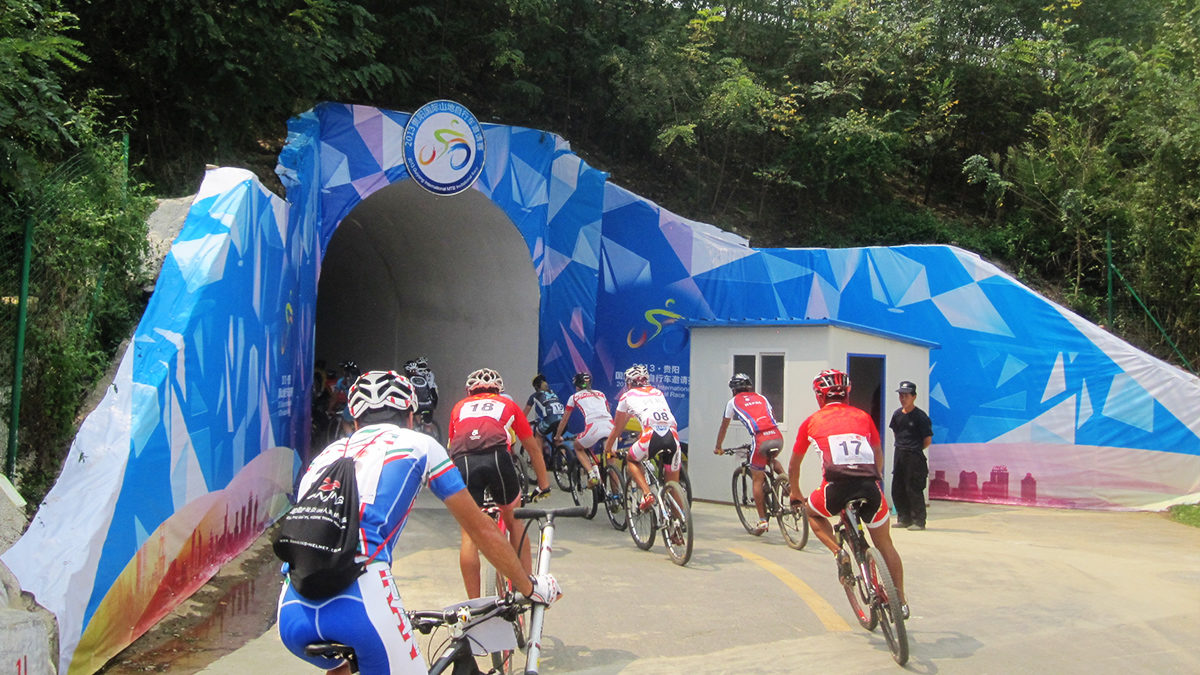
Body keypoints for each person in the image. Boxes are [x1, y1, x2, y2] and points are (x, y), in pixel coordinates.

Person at [277, 370, 562, 675]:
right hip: (363, 605)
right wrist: (529, 587)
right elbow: (481, 529)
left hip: (292, 609)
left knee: (342, 667)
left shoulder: (326, 455)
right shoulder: (419, 445)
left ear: (356, 422)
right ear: (410, 417)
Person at [788, 368, 908, 618]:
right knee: (886, 545)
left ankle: (837, 551)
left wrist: (796, 493)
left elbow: (794, 464)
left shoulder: (811, 421)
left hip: (835, 489)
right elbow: (878, 455)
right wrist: (876, 480)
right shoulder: (863, 417)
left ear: (820, 397)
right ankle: (902, 602)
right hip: (869, 487)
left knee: (811, 512)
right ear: (847, 394)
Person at [447, 367, 551, 598]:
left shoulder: (459, 407)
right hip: (497, 457)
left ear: (469, 391)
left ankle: (475, 604)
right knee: (513, 520)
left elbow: (451, 448)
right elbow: (533, 448)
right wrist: (544, 485)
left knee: (469, 532)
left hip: (463, 461)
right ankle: (527, 590)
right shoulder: (507, 404)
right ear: (499, 390)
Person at [713, 372, 786, 534]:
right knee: (771, 458)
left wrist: (718, 446)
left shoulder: (733, 403)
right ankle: (785, 481)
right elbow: (771, 417)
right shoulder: (761, 397)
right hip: (777, 436)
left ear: (733, 390)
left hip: (760, 439)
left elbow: (724, 427)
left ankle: (762, 521)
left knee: (757, 478)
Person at [602, 364, 681, 511]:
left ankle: (647, 494)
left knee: (631, 459)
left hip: (651, 436)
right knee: (673, 489)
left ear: (629, 383)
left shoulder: (626, 396)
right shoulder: (658, 393)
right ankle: (679, 526)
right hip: (673, 436)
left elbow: (617, 428)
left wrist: (608, 448)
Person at [555, 372, 613, 486]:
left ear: (576, 385)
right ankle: (616, 497)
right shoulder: (600, 394)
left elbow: (564, 419)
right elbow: (608, 411)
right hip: (610, 427)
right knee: (611, 462)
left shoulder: (574, 397)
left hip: (593, 428)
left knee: (578, 446)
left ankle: (591, 474)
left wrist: (558, 435)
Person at [889, 380, 933, 530]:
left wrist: (914, 448)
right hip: (899, 454)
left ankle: (919, 521)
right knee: (898, 487)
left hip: (914, 456)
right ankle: (904, 518)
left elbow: (927, 440)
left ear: (914, 396)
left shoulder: (920, 416)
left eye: (906, 395)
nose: (903, 398)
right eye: (901, 395)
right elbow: (896, 433)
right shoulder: (897, 415)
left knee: (913, 488)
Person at [523, 373, 566, 458]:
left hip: (550, 420)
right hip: (563, 421)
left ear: (536, 387)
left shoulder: (534, 395)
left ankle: (540, 459)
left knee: (539, 435)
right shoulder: (553, 393)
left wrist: (520, 423)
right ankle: (565, 462)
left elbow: (524, 414)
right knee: (557, 439)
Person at [405, 359, 439, 430]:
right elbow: (432, 391)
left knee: (409, 413)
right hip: (429, 406)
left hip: (418, 406)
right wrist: (434, 405)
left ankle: (411, 430)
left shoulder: (407, 380)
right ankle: (430, 433)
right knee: (427, 425)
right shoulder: (424, 378)